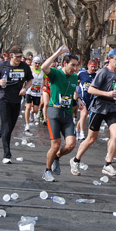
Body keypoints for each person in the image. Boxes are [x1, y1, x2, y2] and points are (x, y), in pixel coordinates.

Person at [71, 49, 116, 177]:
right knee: (91, 139)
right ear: (110, 58)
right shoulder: (103, 72)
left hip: (111, 107)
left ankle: (108, 165)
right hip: (99, 107)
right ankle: (76, 160)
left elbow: (114, 89)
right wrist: (107, 94)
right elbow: (91, 89)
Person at [0, 45, 33, 164]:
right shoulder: (2, 66)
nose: (19, 59)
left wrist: (25, 89)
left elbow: (30, 80)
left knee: (10, 127)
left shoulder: (25, 66)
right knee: (6, 126)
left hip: (17, 100)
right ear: (11, 56)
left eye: (21, 57)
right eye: (17, 57)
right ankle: (7, 155)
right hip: (4, 99)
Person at [40, 46, 80, 181]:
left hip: (67, 113)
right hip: (54, 112)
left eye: (76, 65)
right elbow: (44, 67)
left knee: (71, 144)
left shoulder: (75, 77)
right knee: (56, 143)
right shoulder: (56, 73)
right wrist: (57, 52)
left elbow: (74, 91)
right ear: (64, 63)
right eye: (72, 65)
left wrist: (79, 100)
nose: (74, 68)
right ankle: (47, 170)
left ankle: (57, 157)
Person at [76, 61, 97, 140]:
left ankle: (76, 129)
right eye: (91, 66)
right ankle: (82, 133)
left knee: (83, 115)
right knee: (84, 114)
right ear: (88, 66)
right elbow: (74, 80)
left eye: (94, 67)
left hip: (91, 98)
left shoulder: (96, 76)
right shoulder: (82, 74)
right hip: (82, 97)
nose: (93, 69)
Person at [24, 56, 45, 130]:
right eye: (36, 63)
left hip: (38, 92)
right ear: (33, 63)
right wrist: (24, 87)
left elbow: (44, 79)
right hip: (29, 90)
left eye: (39, 63)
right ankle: (27, 124)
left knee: (36, 110)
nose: (37, 65)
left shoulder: (42, 70)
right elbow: (25, 78)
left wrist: (44, 86)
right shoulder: (29, 69)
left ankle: (31, 113)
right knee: (28, 106)